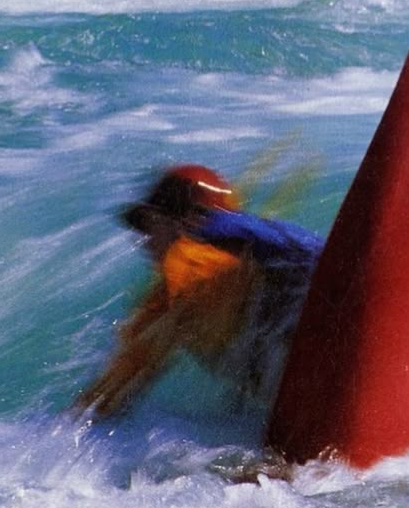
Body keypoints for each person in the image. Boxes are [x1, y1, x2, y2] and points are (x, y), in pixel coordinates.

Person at [73, 164, 323, 420]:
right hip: (299, 389)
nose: (142, 239)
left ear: (184, 222)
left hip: (309, 375)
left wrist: (77, 421)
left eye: (147, 223)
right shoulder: (169, 297)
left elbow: (106, 399)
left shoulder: (191, 266)